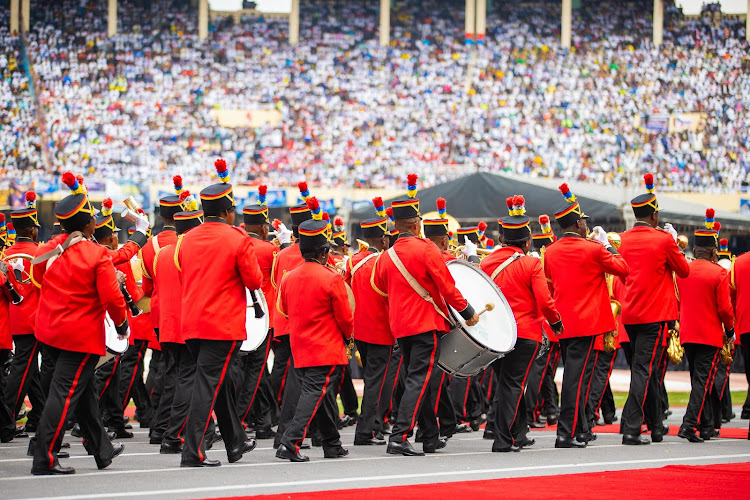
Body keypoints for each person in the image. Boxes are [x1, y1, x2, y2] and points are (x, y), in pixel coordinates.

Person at [372, 174, 479, 457]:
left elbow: (381, 289)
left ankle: (430, 436)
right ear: (417, 224)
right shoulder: (427, 248)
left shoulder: (387, 255)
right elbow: (447, 285)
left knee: (417, 377)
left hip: (401, 326)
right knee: (419, 379)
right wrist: (467, 311)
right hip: (425, 323)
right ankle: (400, 435)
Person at [29, 173, 128, 475]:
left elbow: (40, 278)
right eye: (93, 219)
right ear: (88, 224)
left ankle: (102, 449)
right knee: (64, 394)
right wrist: (122, 326)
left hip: (50, 330)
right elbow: (112, 300)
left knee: (84, 393)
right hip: (79, 336)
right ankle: (44, 456)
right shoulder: (95, 253)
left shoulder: (52, 246)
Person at [176, 158, 262, 467]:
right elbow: (254, 281)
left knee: (220, 383)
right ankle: (193, 450)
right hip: (221, 324)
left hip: (192, 323)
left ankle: (235, 443)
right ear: (227, 211)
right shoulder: (237, 239)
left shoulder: (186, 239)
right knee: (208, 385)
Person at [543, 184, 629, 449]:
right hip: (588, 322)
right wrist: (606, 245)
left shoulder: (552, 251)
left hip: (563, 323)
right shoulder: (593, 248)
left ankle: (581, 430)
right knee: (576, 379)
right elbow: (623, 268)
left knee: (577, 376)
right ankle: (565, 433)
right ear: (578, 223)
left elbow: (549, 286)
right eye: (583, 221)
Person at [481, 196, 563, 452]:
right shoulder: (531, 263)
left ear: (503, 240)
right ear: (527, 242)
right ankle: (503, 439)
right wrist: (556, 322)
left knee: (506, 383)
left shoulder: (486, 262)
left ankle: (519, 433)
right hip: (524, 333)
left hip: (494, 336)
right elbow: (544, 300)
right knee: (513, 385)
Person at [618, 174, 689, 445]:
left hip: (631, 313)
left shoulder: (622, 239)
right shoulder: (662, 240)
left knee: (649, 371)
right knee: (645, 371)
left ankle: (657, 427)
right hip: (654, 315)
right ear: (655, 216)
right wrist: (672, 242)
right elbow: (683, 271)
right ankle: (633, 428)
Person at [275, 219, 354, 462]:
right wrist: (349, 338)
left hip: (301, 346)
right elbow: (345, 318)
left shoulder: (290, 277)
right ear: (323, 252)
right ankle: (290, 442)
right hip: (325, 347)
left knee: (320, 396)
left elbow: (285, 309)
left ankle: (332, 443)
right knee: (314, 394)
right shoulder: (331, 278)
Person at [675, 214, 734, 443]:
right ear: (712, 251)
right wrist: (729, 330)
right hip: (709, 335)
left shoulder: (685, 271)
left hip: (688, 333)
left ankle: (707, 426)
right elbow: (725, 309)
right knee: (703, 381)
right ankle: (689, 425)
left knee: (698, 380)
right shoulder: (719, 272)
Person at [154, 199, 205, 454]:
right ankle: (173, 435)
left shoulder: (163, 253)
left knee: (176, 378)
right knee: (188, 380)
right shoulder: (191, 253)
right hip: (188, 326)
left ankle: (169, 429)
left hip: (167, 326)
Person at [140, 178, 183, 442]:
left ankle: (160, 422)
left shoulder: (149, 246)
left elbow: (145, 288)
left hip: (158, 312)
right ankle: (166, 427)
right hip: (182, 313)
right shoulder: (187, 242)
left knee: (166, 369)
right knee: (181, 372)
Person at [346, 205, 393, 446]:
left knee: (370, 380)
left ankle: (372, 428)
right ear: (382, 238)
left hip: (359, 330)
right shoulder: (385, 261)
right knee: (376, 382)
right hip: (381, 331)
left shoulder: (352, 261)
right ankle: (366, 432)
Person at [270, 184, 312, 449]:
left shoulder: (283, 254)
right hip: (304, 325)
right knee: (303, 382)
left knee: (288, 378)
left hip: (283, 323)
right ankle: (289, 432)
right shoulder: (312, 255)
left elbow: (276, 284)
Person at [237, 187, 279, 439]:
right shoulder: (270, 249)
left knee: (255, 372)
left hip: (240, 314)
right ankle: (241, 418)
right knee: (255, 371)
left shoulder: (237, 243)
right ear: (263, 227)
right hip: (264, 316)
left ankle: (262, 420)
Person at [4, 192, 45, 432]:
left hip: (14, 318)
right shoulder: (40, 252)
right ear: (32, 230)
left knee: (32, 370)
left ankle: (38, 414)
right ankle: (6, 418)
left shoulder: (5, 254)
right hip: (34, 319)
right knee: (22, 369)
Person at [525, 215, 560, 428]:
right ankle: (535, 412)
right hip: (549, 326)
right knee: (540, 373)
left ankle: (549, 410)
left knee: (543, 373)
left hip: (540, 325)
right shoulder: (545, 264)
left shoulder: (533, 262)